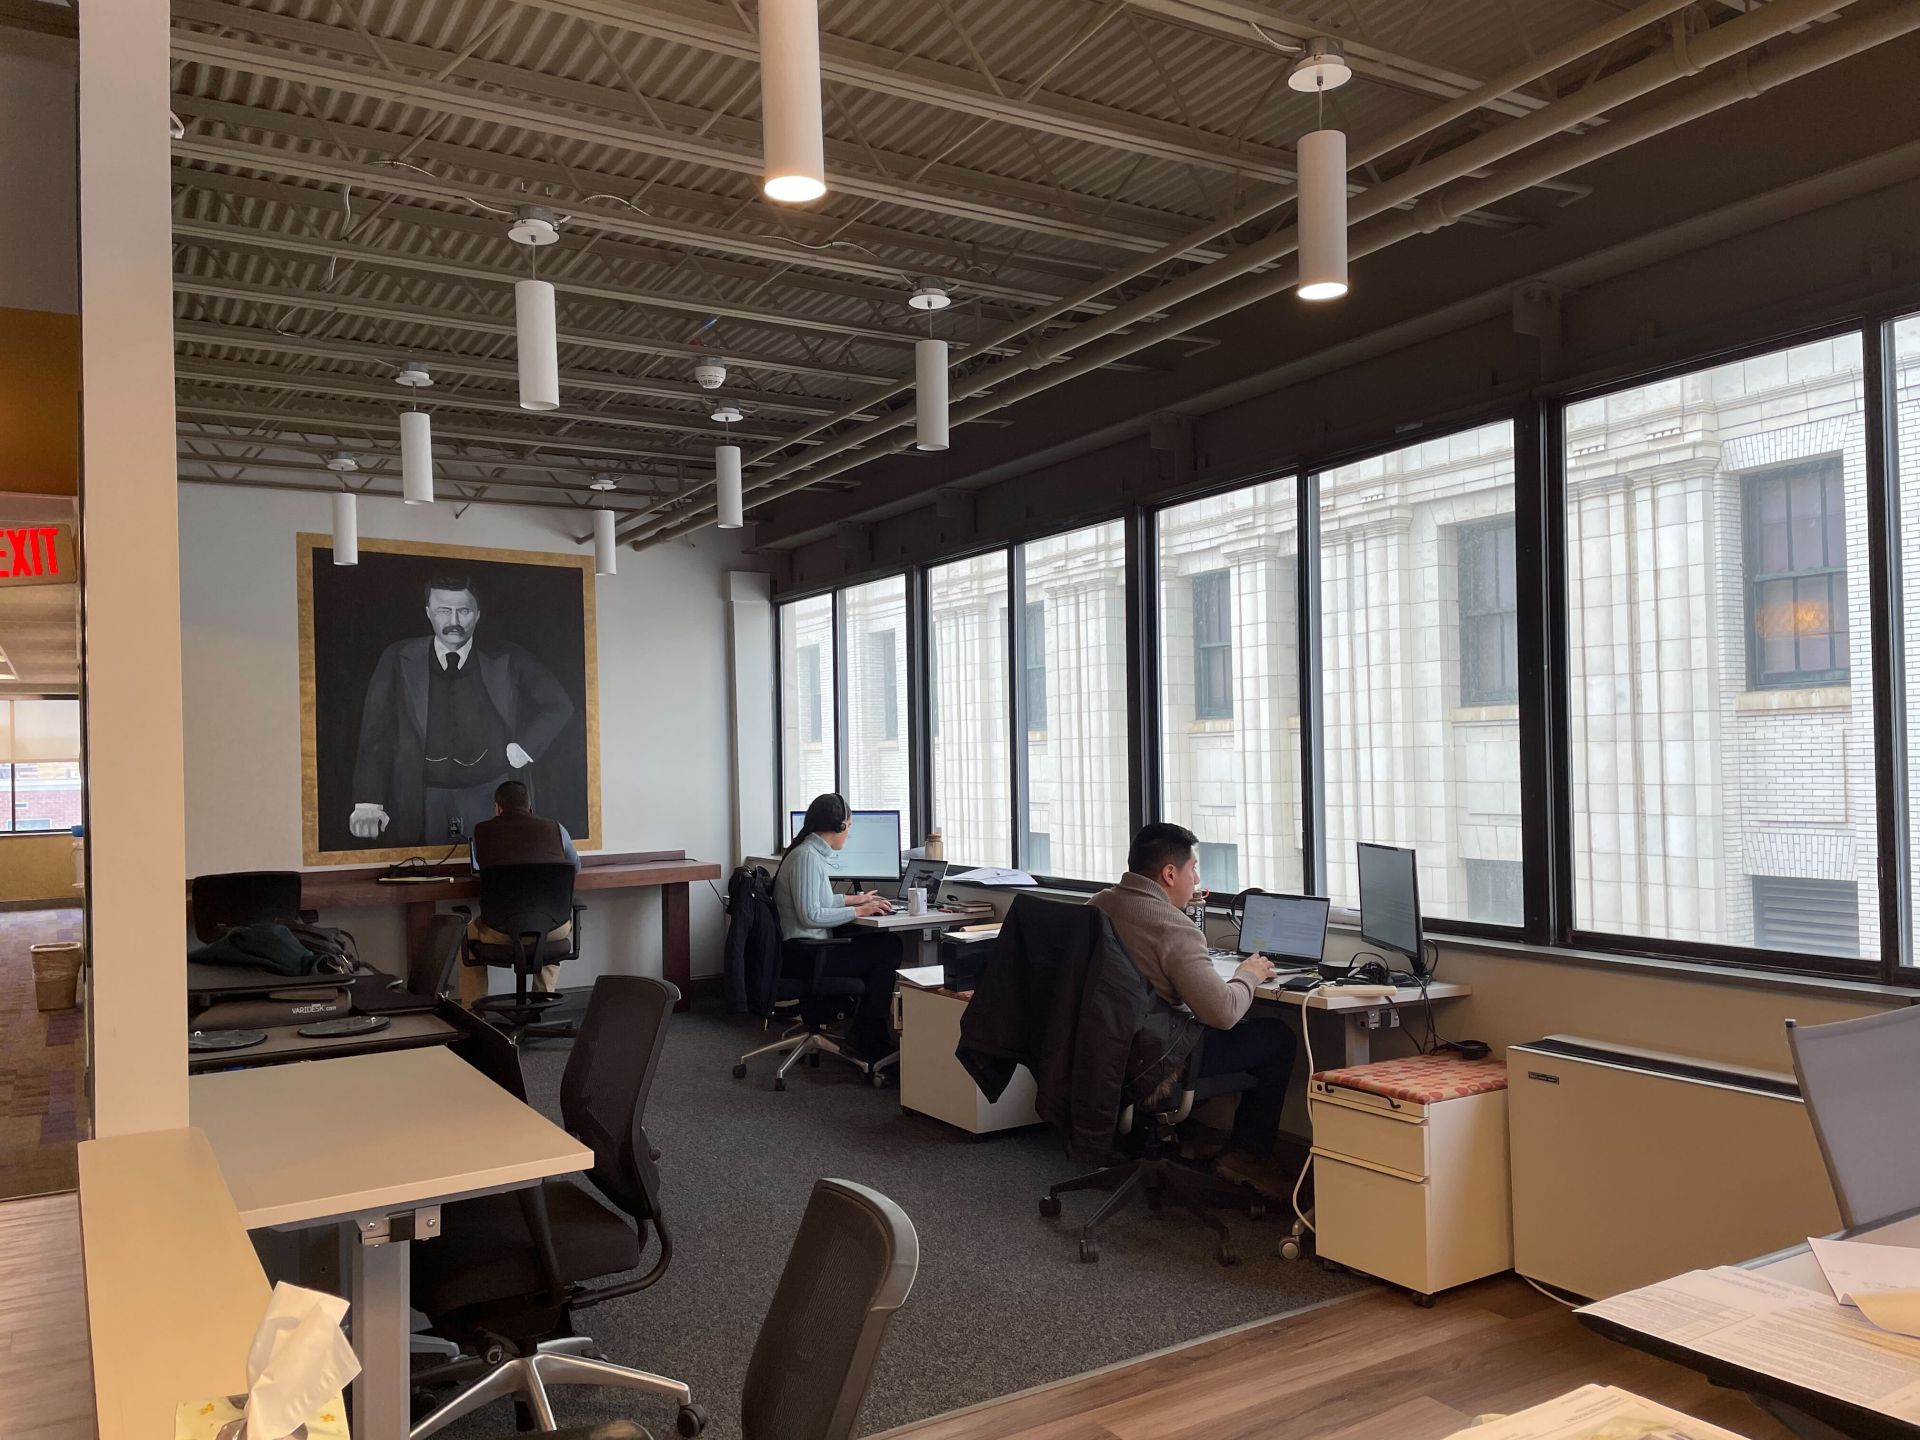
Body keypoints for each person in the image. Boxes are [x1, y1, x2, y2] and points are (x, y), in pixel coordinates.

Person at [1090, 822, 1298, 1194]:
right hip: (1155, 1064)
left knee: (1185, 1017)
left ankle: (1169, 1138)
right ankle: (1246, 1157)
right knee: (1277, 1037)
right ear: (1170, 874)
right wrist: (1247, 975)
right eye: (1194, 868)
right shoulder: (1173, 927)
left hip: (1104, 1054)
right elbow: (1223, 1013)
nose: (1197, 878)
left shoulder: (1098, 905)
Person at [348, 574, 575, 849]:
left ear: (477, 614)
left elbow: (559, 704)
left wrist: (524, 748)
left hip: (492, 797)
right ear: (428, 612)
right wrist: (368, 802)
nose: (453, 621)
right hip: (422, 798)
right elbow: (376, 731)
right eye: (443, 611)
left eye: (463, 611)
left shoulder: (508, 657)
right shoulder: (398, 657)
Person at [773, 792, 902, 1065]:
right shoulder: (807, 857)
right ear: (838, 826)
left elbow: (817, 901)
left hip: (804, 950)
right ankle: (867, 1034)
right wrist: (859, 912)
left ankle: (865, 1030)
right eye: (849, 826)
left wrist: (854, 900)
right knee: (889, 948)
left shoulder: (807, 852)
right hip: (805, 954)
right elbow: (811, 915)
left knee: (880, 946)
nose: (849, 833)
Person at [460, 779, 581, 1006]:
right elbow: (575, 866)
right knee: (551, 923)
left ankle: (474, 1010)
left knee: (467, 934)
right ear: (530, 806)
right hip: (552, 929)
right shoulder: (556, 829)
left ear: (497, 808)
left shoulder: (483, 832)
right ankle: (542, 1001)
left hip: (501, 931)